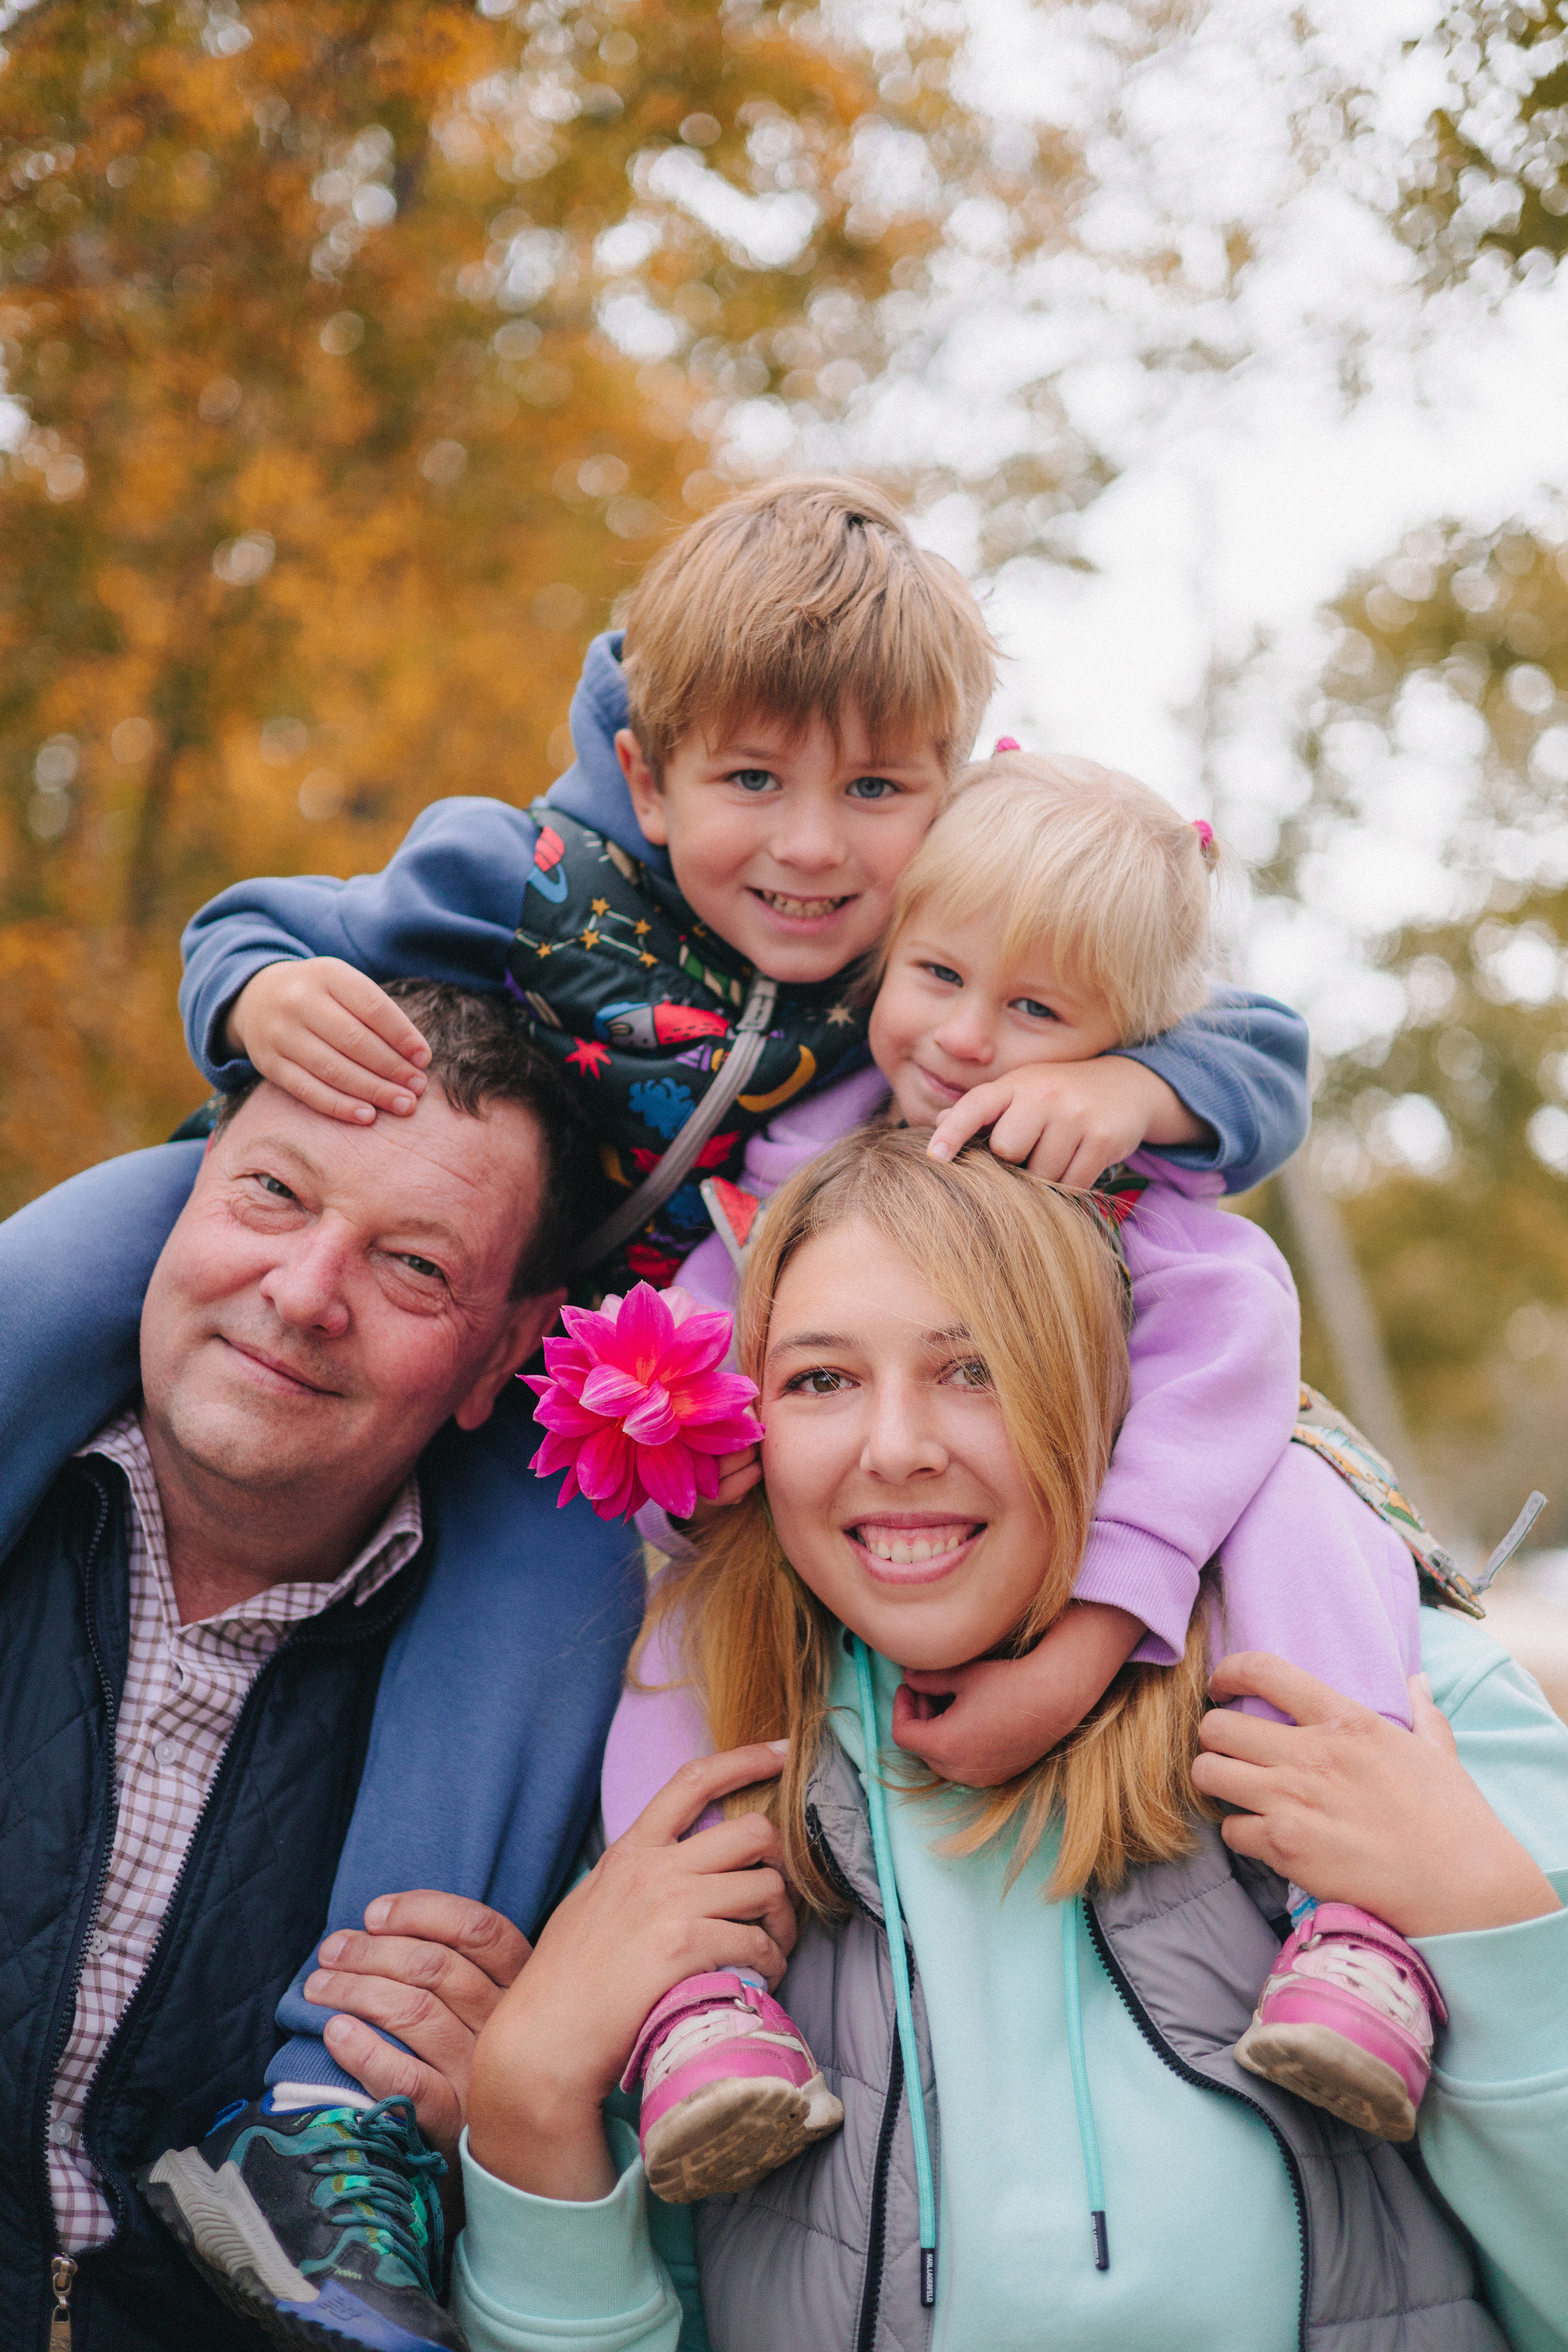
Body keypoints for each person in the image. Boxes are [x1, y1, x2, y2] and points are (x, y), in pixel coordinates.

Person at [0, 484, 1313, 2121]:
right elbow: (264, 917)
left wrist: (1144, 1085)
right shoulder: (523, 872)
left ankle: (331, 2113)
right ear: (649, 770)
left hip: (583, 1368)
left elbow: (1248, 1034)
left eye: (877, 790)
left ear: (953, 795)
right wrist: (260, 993)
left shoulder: (927, 947)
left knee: (547, 1607)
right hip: (346, 1223)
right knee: (63, 1262)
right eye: (752, 781)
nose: (814, 846)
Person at [451, 1131, 1568, 2352]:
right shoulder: (692, 1801)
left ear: (1107, 1396)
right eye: (821, 1380)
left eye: (971, 1368)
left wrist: (1494, 1932)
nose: (894, 1447)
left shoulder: (1389, 1706)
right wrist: (524, 2109)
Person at [593, 750, 1450, 2204]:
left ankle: (1357, 1920)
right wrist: (677, 1427)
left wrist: (1092, 1634)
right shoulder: (797, 1150)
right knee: (686, 1617)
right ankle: (694, 1991)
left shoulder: (1128, 1189)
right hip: (871, 1562)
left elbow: (1221, 1390)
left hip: (1117, 1557)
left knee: (1301, 1500)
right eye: (936, 975)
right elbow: (717, 1318)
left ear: (1130, 1045)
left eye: (1040, 1013)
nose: (968, 1040)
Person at [0, 982, 644, 2352]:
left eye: (415, 1267)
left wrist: (500, 2144)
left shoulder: (578, 1745)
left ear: (503, 1355)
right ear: (176, 1201)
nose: (303, 1295)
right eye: (274, 1194)